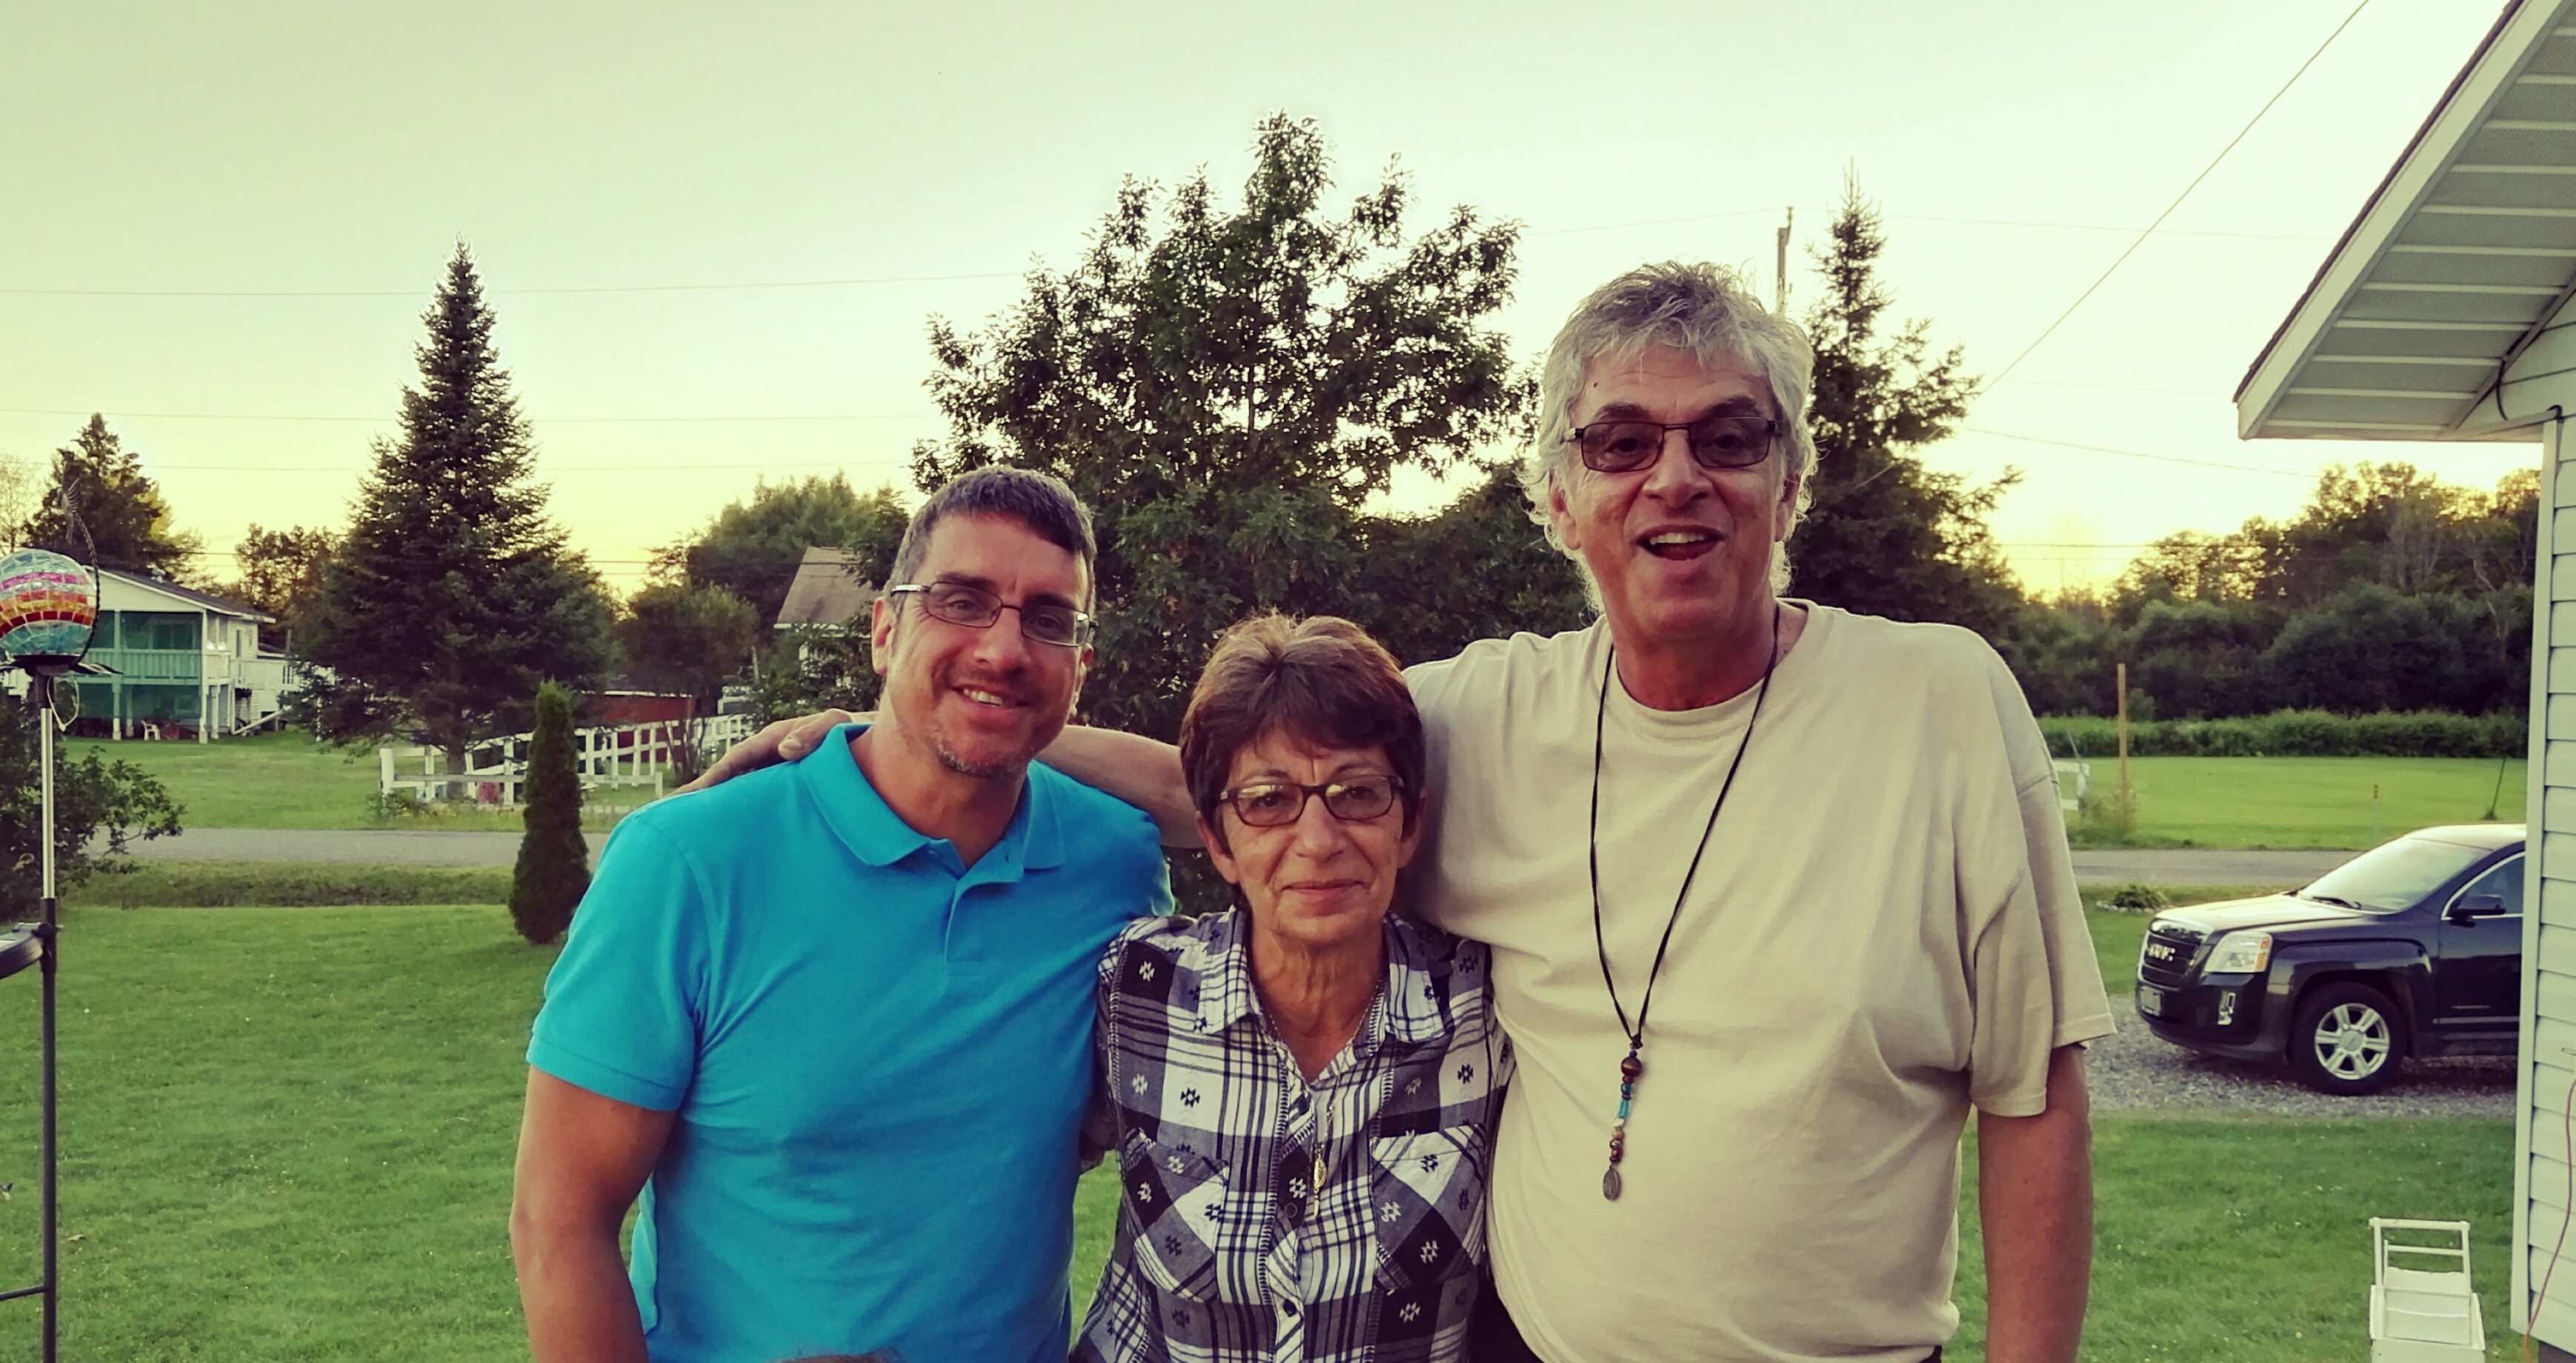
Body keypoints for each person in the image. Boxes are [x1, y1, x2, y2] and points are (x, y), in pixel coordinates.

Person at [698, 261, 2112, 1363]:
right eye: (1619, 443)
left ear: (1786, 478)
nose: (1672, 476)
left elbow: (2035, 1099)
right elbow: (1250, 766)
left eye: (1725, 437)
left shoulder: (1937, 704)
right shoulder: (1491, 715)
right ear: (1559, 500)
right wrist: (917, 736)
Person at [510, 466, 1172, 1363]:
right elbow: (559, 1221)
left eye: (1049, 620)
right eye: (962, 600)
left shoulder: (1115, 863)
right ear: (884, 628)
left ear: (1081, 667)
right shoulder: (687, 863)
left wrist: (955, 706)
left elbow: (1274, 799)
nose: (1004, 649)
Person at [1075, 614, 1508, 1363]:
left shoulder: (1484, 1007)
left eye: (1358, 793)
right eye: (1269, 800)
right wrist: (880, 733)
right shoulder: (1137, 993)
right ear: (1217, 841)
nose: (1317, 838)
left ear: (1410, 825)